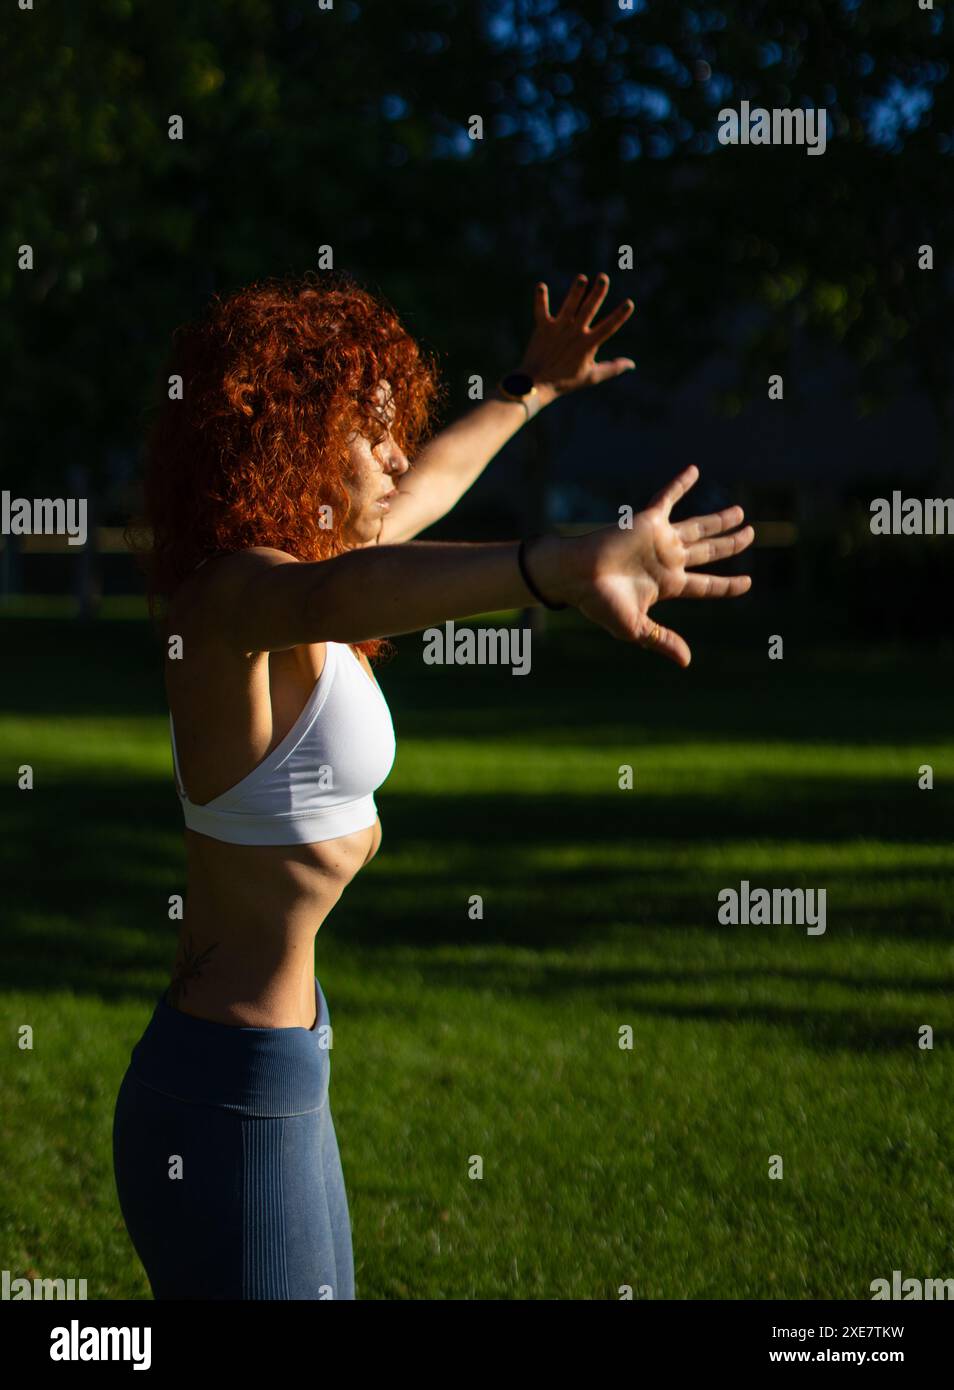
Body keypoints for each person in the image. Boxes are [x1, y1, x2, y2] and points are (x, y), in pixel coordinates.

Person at [112, 269, 754, 1300]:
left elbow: (422, 495)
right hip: (224, 1090)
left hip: (281, 1056)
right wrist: (550, 566)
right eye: (369, 432)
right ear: (288, 435)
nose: (396, 451)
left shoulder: (314, 557)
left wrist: (527, 390)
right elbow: (344, 591)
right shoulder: (230, 597)